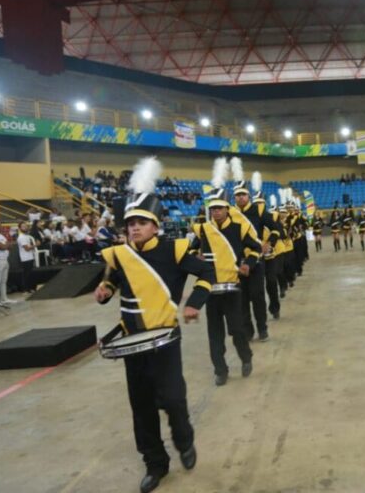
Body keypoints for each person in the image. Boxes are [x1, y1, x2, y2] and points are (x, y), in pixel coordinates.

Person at [94, 157, 214, 493]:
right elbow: (111, 284)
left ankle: (184, 441)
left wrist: (194, 303)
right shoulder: (119, 255)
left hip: (165, 341)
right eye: (130, 223)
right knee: (142, 408)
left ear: (155, 226)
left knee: (173, 399)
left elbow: (207, 272)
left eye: (141, 223)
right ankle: (155, 464)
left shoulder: (174, 250)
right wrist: (104, 292)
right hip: (132, 342)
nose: (134, 228)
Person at [192, 158, 261, 377]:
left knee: (237, 329)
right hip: (211, 289)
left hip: (232, 287)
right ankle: (220, 370)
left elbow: (256, 249)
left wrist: (248, 264)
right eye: (213, 209)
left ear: (227, 208)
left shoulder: (239, 228)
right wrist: (197, 258)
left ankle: (246, 358)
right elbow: (191, 252)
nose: (216, 212)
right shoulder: (203, 230)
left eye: (220, 208)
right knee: (215, 334)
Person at [231, 163, 280, 342]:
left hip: (257, 260)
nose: (240, 198)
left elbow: (276, 228)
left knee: (257, 296)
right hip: (237, 262)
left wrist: (269, 243)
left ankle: (262, 328)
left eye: (243, 194)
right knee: (242, 299)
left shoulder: (258, 210)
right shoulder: (231, 213)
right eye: (237, 195)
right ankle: (248, 330)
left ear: (248, 195)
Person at [16, 221, 36, 293]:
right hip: (25, 258)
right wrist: (35, 245)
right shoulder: (21, 237)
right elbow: (27, 248)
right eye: (23, 226)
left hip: (30, 256)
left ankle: (30, 287)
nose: (25, 228)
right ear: (20, 228)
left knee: (30, 273)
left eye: (26, 226)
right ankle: (27, 288)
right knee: (27, 274)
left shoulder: (27, 236)